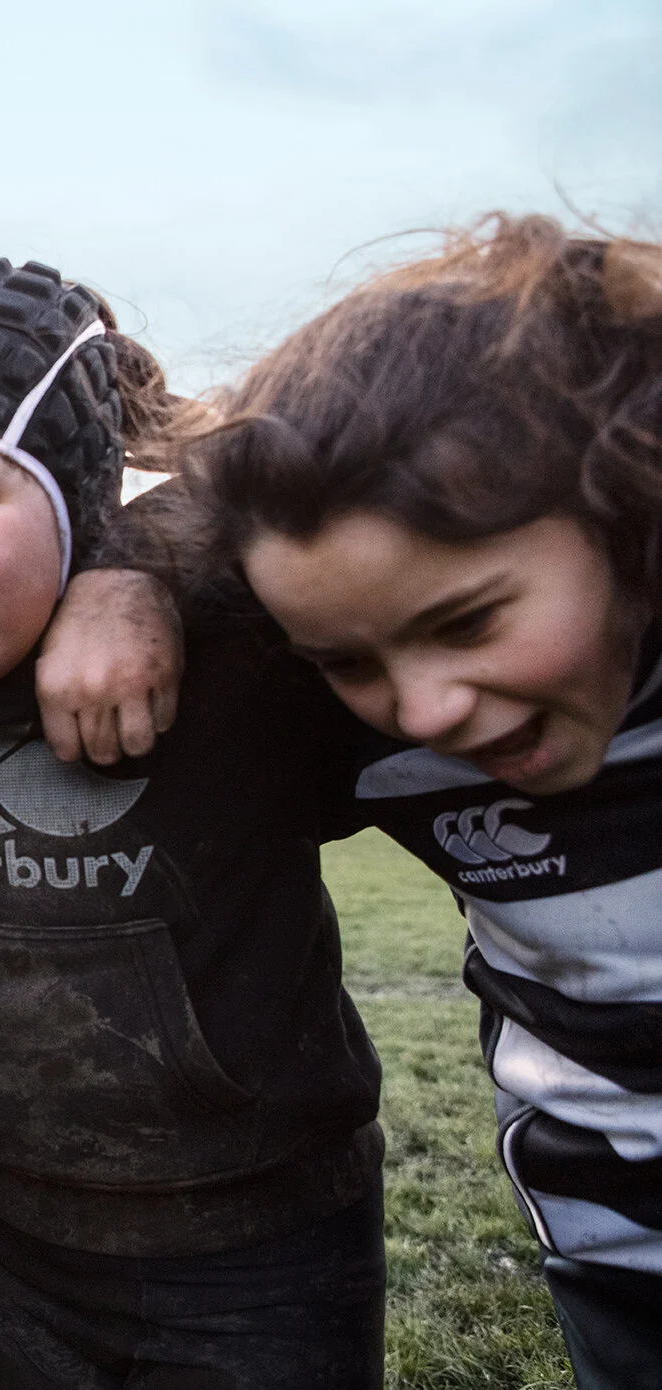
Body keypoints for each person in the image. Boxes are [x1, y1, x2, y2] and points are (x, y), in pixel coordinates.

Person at [0, 259, 387, 1389]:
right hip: (16, 1243)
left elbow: (325, 447)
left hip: (261, 1261)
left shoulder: (236, 645)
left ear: (76, 498)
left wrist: (134, 564)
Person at [175, 214, 662, 1390]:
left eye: (468, 621)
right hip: (616, 1260)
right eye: (347, 659)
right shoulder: (359, 728)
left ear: (626, 505)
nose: (427, 708)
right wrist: (123, 591)